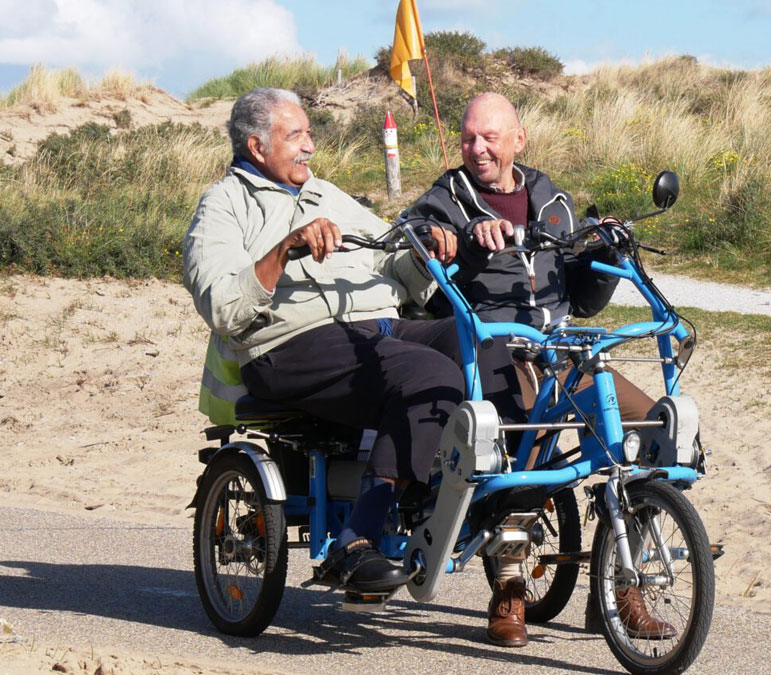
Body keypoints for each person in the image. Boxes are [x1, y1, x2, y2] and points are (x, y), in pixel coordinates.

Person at [183, 87, 523, 594]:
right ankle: (355, 538)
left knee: (485, 345)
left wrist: (426, 252)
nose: (309, 146)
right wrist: (284, 248)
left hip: (376, 329)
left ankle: (500, 497)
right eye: (295, 135)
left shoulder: (328, 195)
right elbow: (222, 308)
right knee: (426, 375)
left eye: (309, 134)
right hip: (289, 346)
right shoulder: (224, 206)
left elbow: (394, 263)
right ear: (257, 146)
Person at [406, 92, 673, 646]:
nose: (477, 149)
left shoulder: (553, 201)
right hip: (491, 351)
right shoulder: (444, 201)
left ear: (518, 140)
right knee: (527, 450)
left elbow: (584, 299)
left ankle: (622, 589)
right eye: (468, 138)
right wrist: (462, 244)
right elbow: (417, 255)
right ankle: (509, 591)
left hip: (561, 350)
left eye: (490, 137)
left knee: (654, 432)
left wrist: (606, 252)